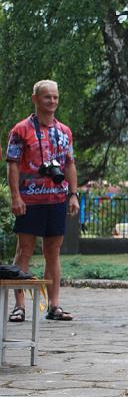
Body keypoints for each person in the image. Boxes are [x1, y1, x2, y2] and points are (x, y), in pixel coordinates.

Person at [6, 80, 78, 322]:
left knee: (53, 251)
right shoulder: (21, 130)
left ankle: (54, 305)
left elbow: (69, 164)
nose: (52, 101)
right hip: (29, 199)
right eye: (47, 97)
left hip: (56, 198)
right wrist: (15, 196)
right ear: (35, 99)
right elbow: (13, 165)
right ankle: (19, 306)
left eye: (55, 97)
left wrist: (73, 194)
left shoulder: (65, 131)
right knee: (24, 250)